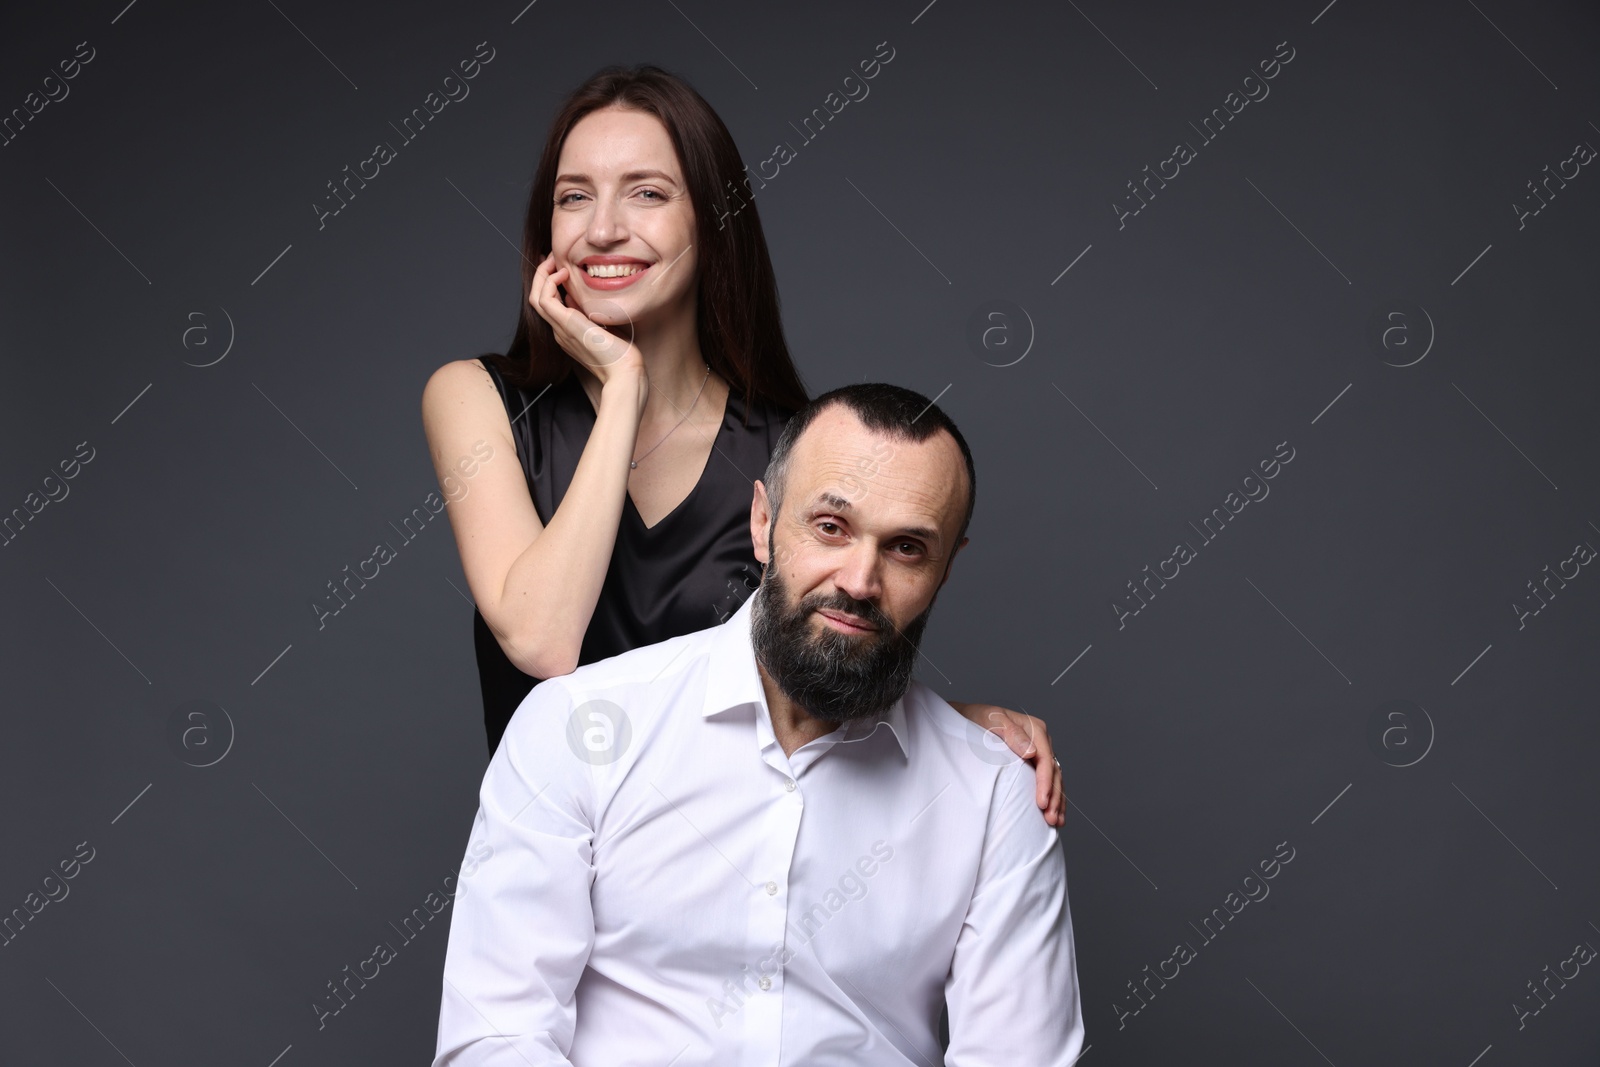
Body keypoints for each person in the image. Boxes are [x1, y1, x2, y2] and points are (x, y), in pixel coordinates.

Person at [420, 64, 1064, 825]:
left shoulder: (791, 440)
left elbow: (809, 685)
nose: (601, 228)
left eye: (648, 192)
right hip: (547, 862)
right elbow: (543, 638)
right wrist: (622, 383)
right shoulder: (476, 397)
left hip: (723, 869)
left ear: (712, 220)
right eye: (574, 196)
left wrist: (957, 726)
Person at [431, 383, 1084, 1066]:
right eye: (831, 526)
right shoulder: (575, 729)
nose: (859, 580)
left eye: (907, 548)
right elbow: (496, 1038)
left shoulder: (995, 792)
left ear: (946, 568)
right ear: (763, 522)